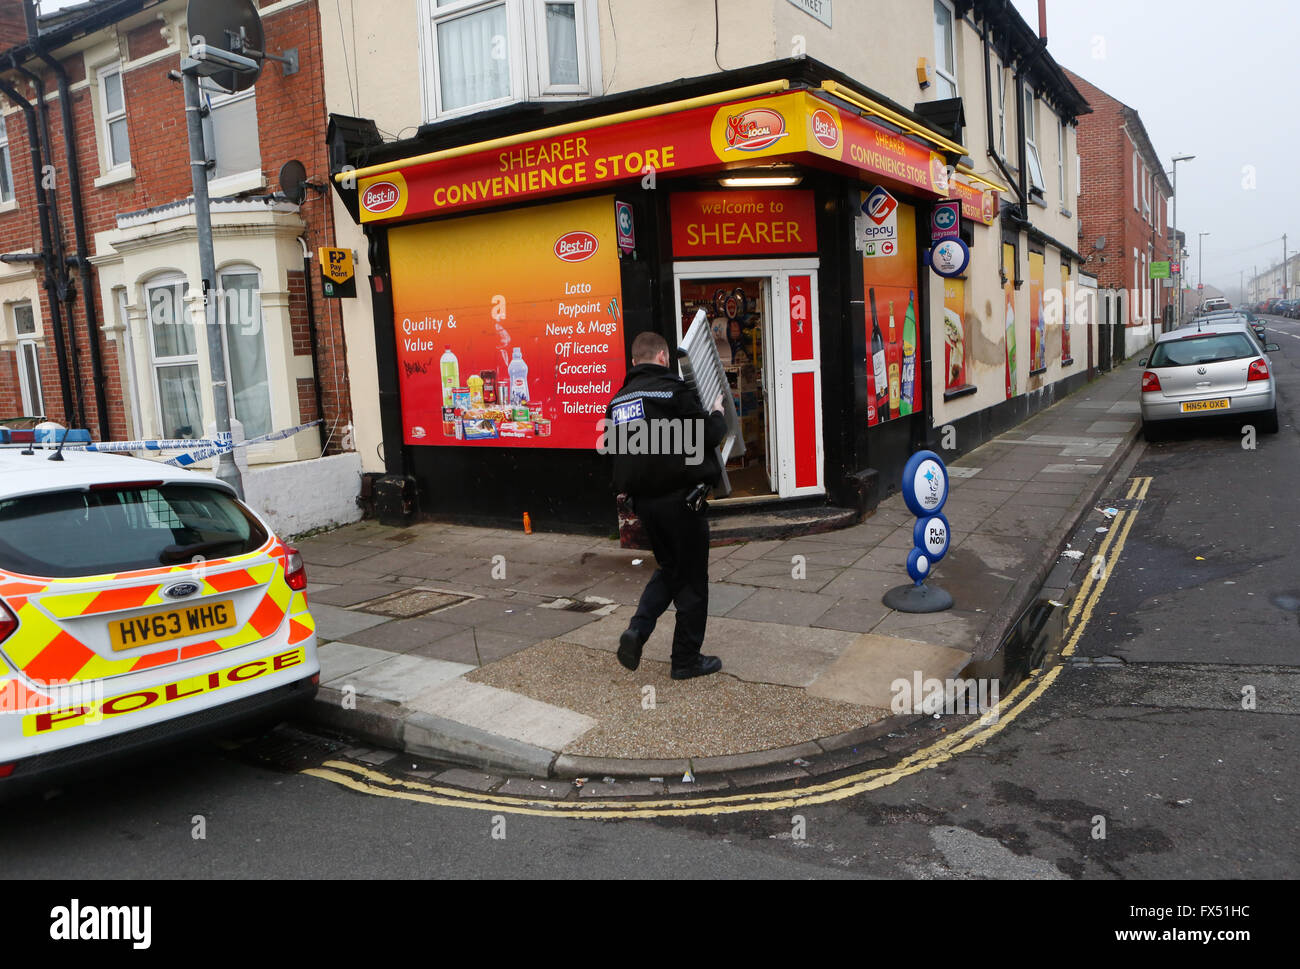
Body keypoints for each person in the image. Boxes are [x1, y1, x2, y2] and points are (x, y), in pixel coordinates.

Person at [606, 331, 727, 680]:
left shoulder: (617, 402)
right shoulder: (673, 392)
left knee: (671, 569)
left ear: (633, 362)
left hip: (644, 506)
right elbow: (706, 435)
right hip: (682, 503)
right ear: (662, 357)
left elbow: (614, 455)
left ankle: (637, 631)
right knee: (691, 582)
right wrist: (717, 413)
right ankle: (686, 660)